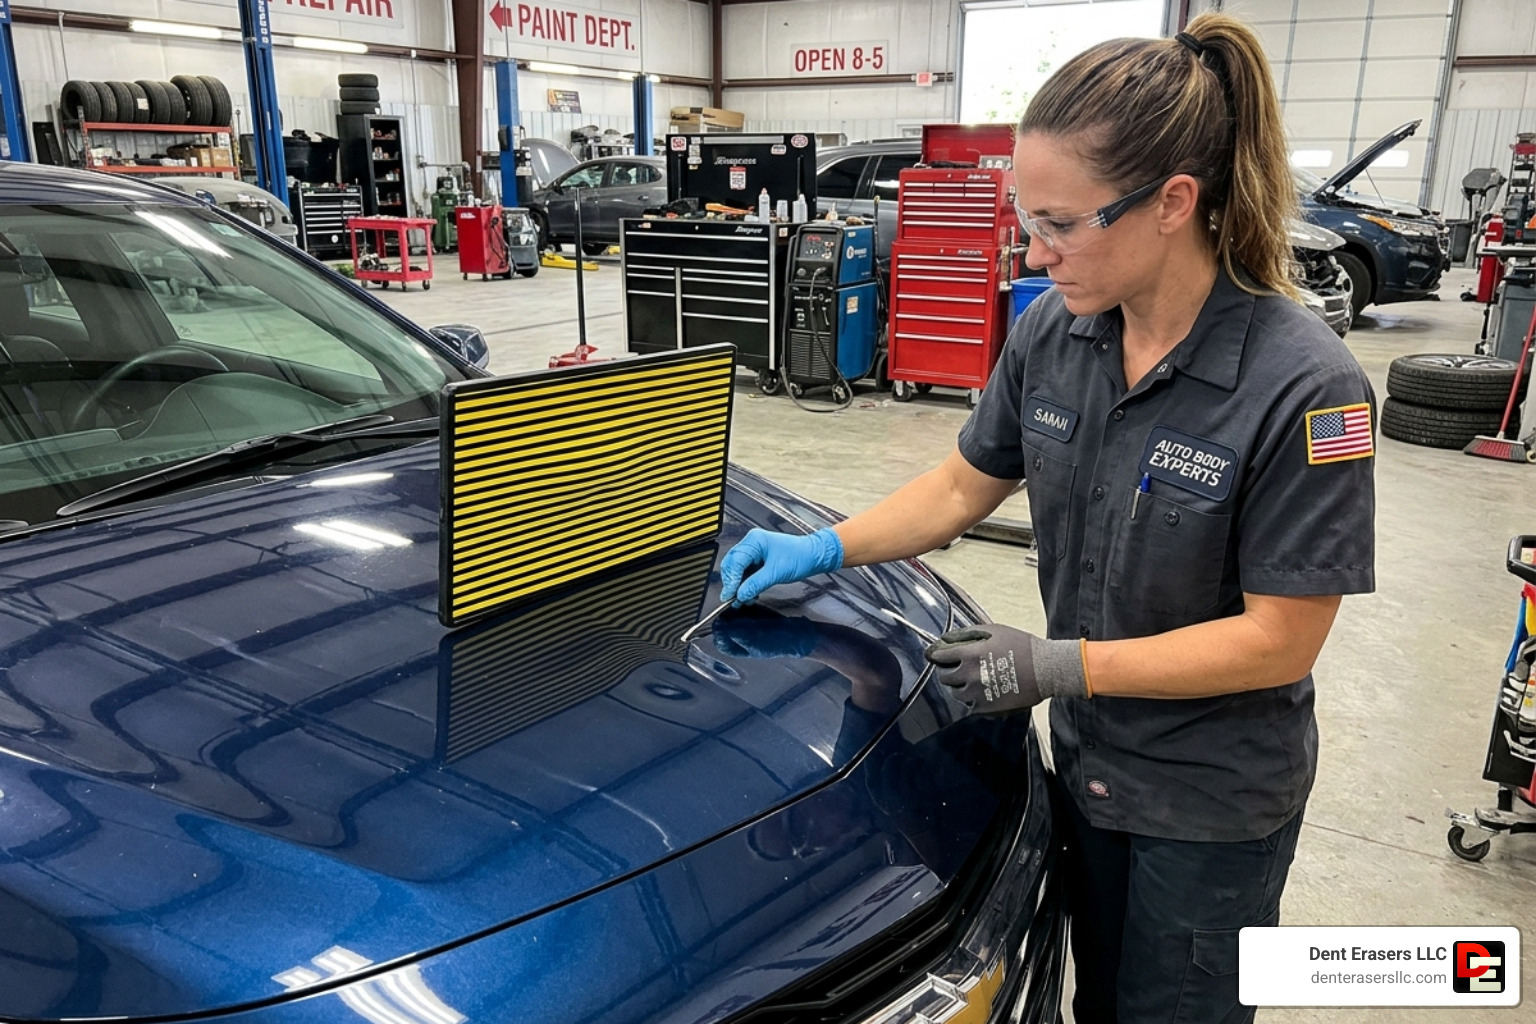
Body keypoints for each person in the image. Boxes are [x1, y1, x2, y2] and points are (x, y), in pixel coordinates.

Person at [717, 13, 1376, 1024]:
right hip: (1088, 769)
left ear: (1174, 203)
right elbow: (958, 487)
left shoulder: (1306, 387)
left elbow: (1281, 640)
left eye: (1062, 224)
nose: (1036, 249)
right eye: (1028, 219)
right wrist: (825, 545)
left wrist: (1057, 665)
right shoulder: (1054, 335)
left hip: (1209, 808)